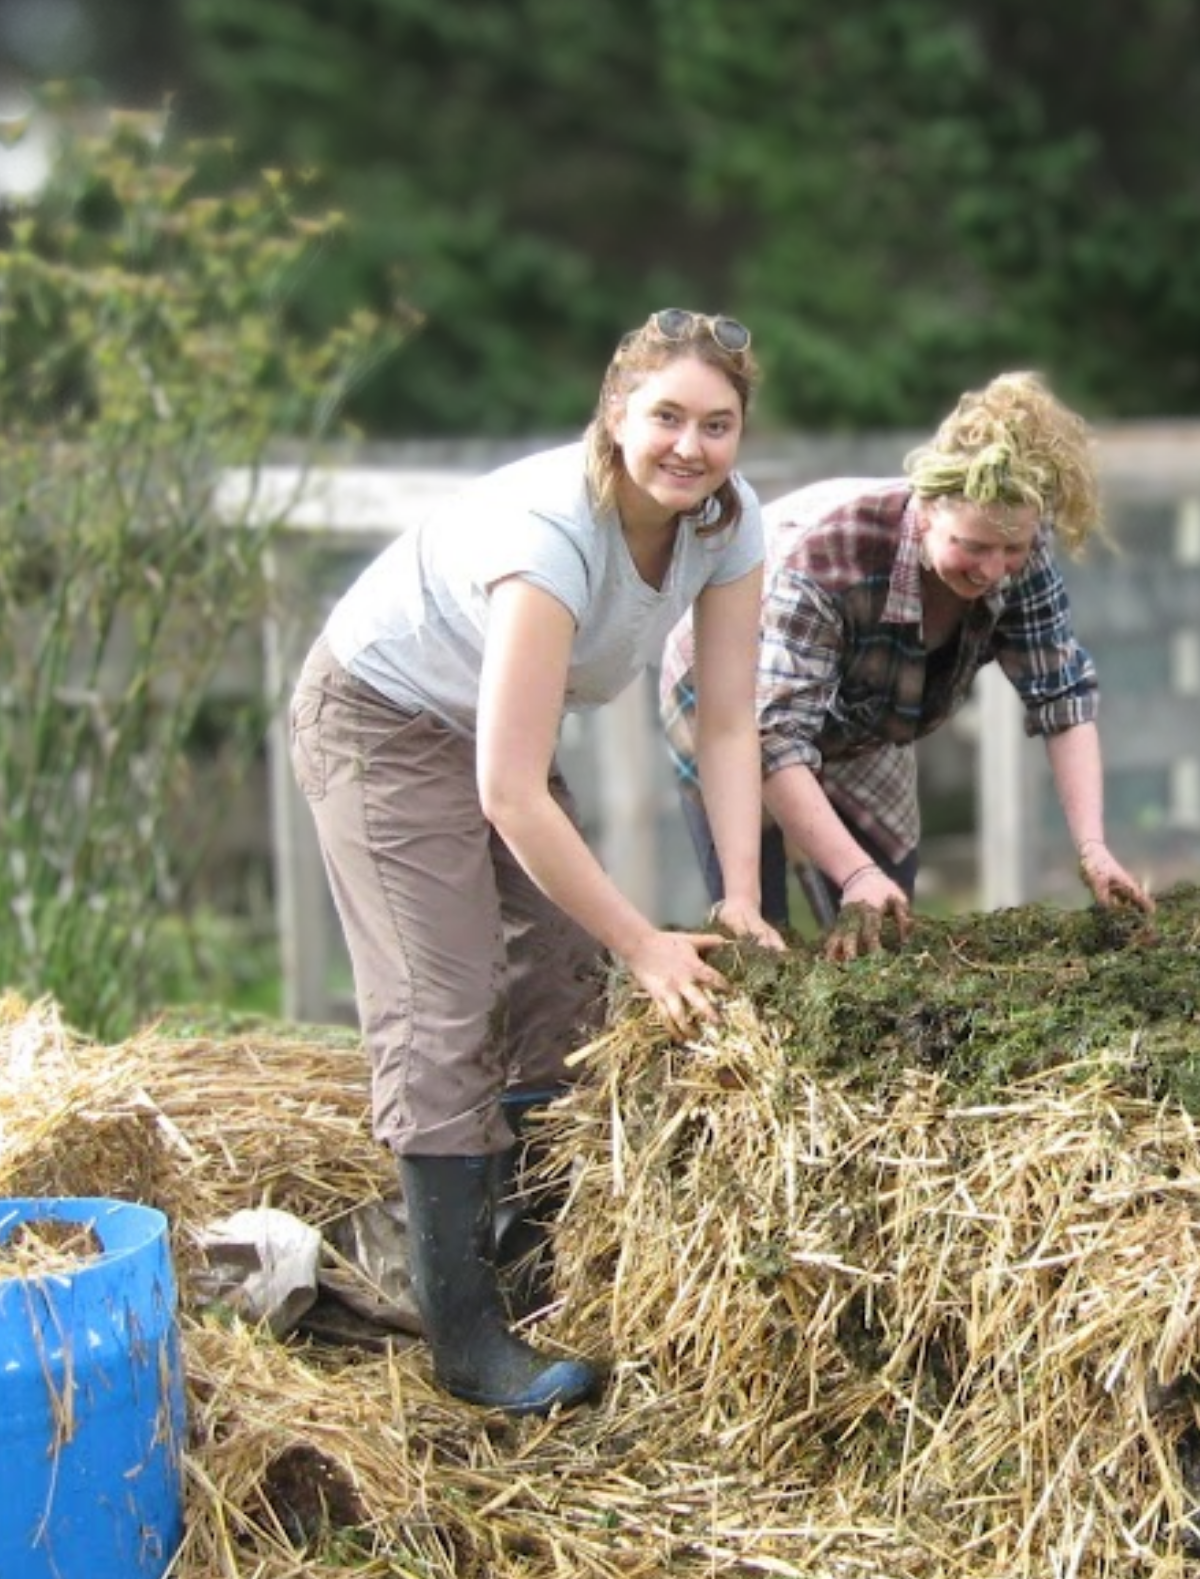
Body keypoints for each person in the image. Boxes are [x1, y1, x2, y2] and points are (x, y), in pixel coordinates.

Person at [289, 308, 784, 1417]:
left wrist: (740, 895)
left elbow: (727, 721)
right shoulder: (552, 528)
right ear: (616, 413)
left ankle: (524, 1262)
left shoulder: (727, 525)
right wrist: (647, 939)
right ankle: (465, 1339)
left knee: (563, 979)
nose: (690, 446)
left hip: (484, 728)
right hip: (379, 716)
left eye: (718, 423)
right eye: (665, 416)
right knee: (444, 999)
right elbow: (509, 791)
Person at [660, 370, 1155, 960]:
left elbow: (1063, 697)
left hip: (864, 726)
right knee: (761, 936)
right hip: (732, 705)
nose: (993, 570)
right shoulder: (830, 558)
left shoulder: (1019, 546)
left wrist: (1092, 846)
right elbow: (775, 740)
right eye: (971, 547)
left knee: (887, 926)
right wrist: (852, 873)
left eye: (1011, 550)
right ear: (925, 512)